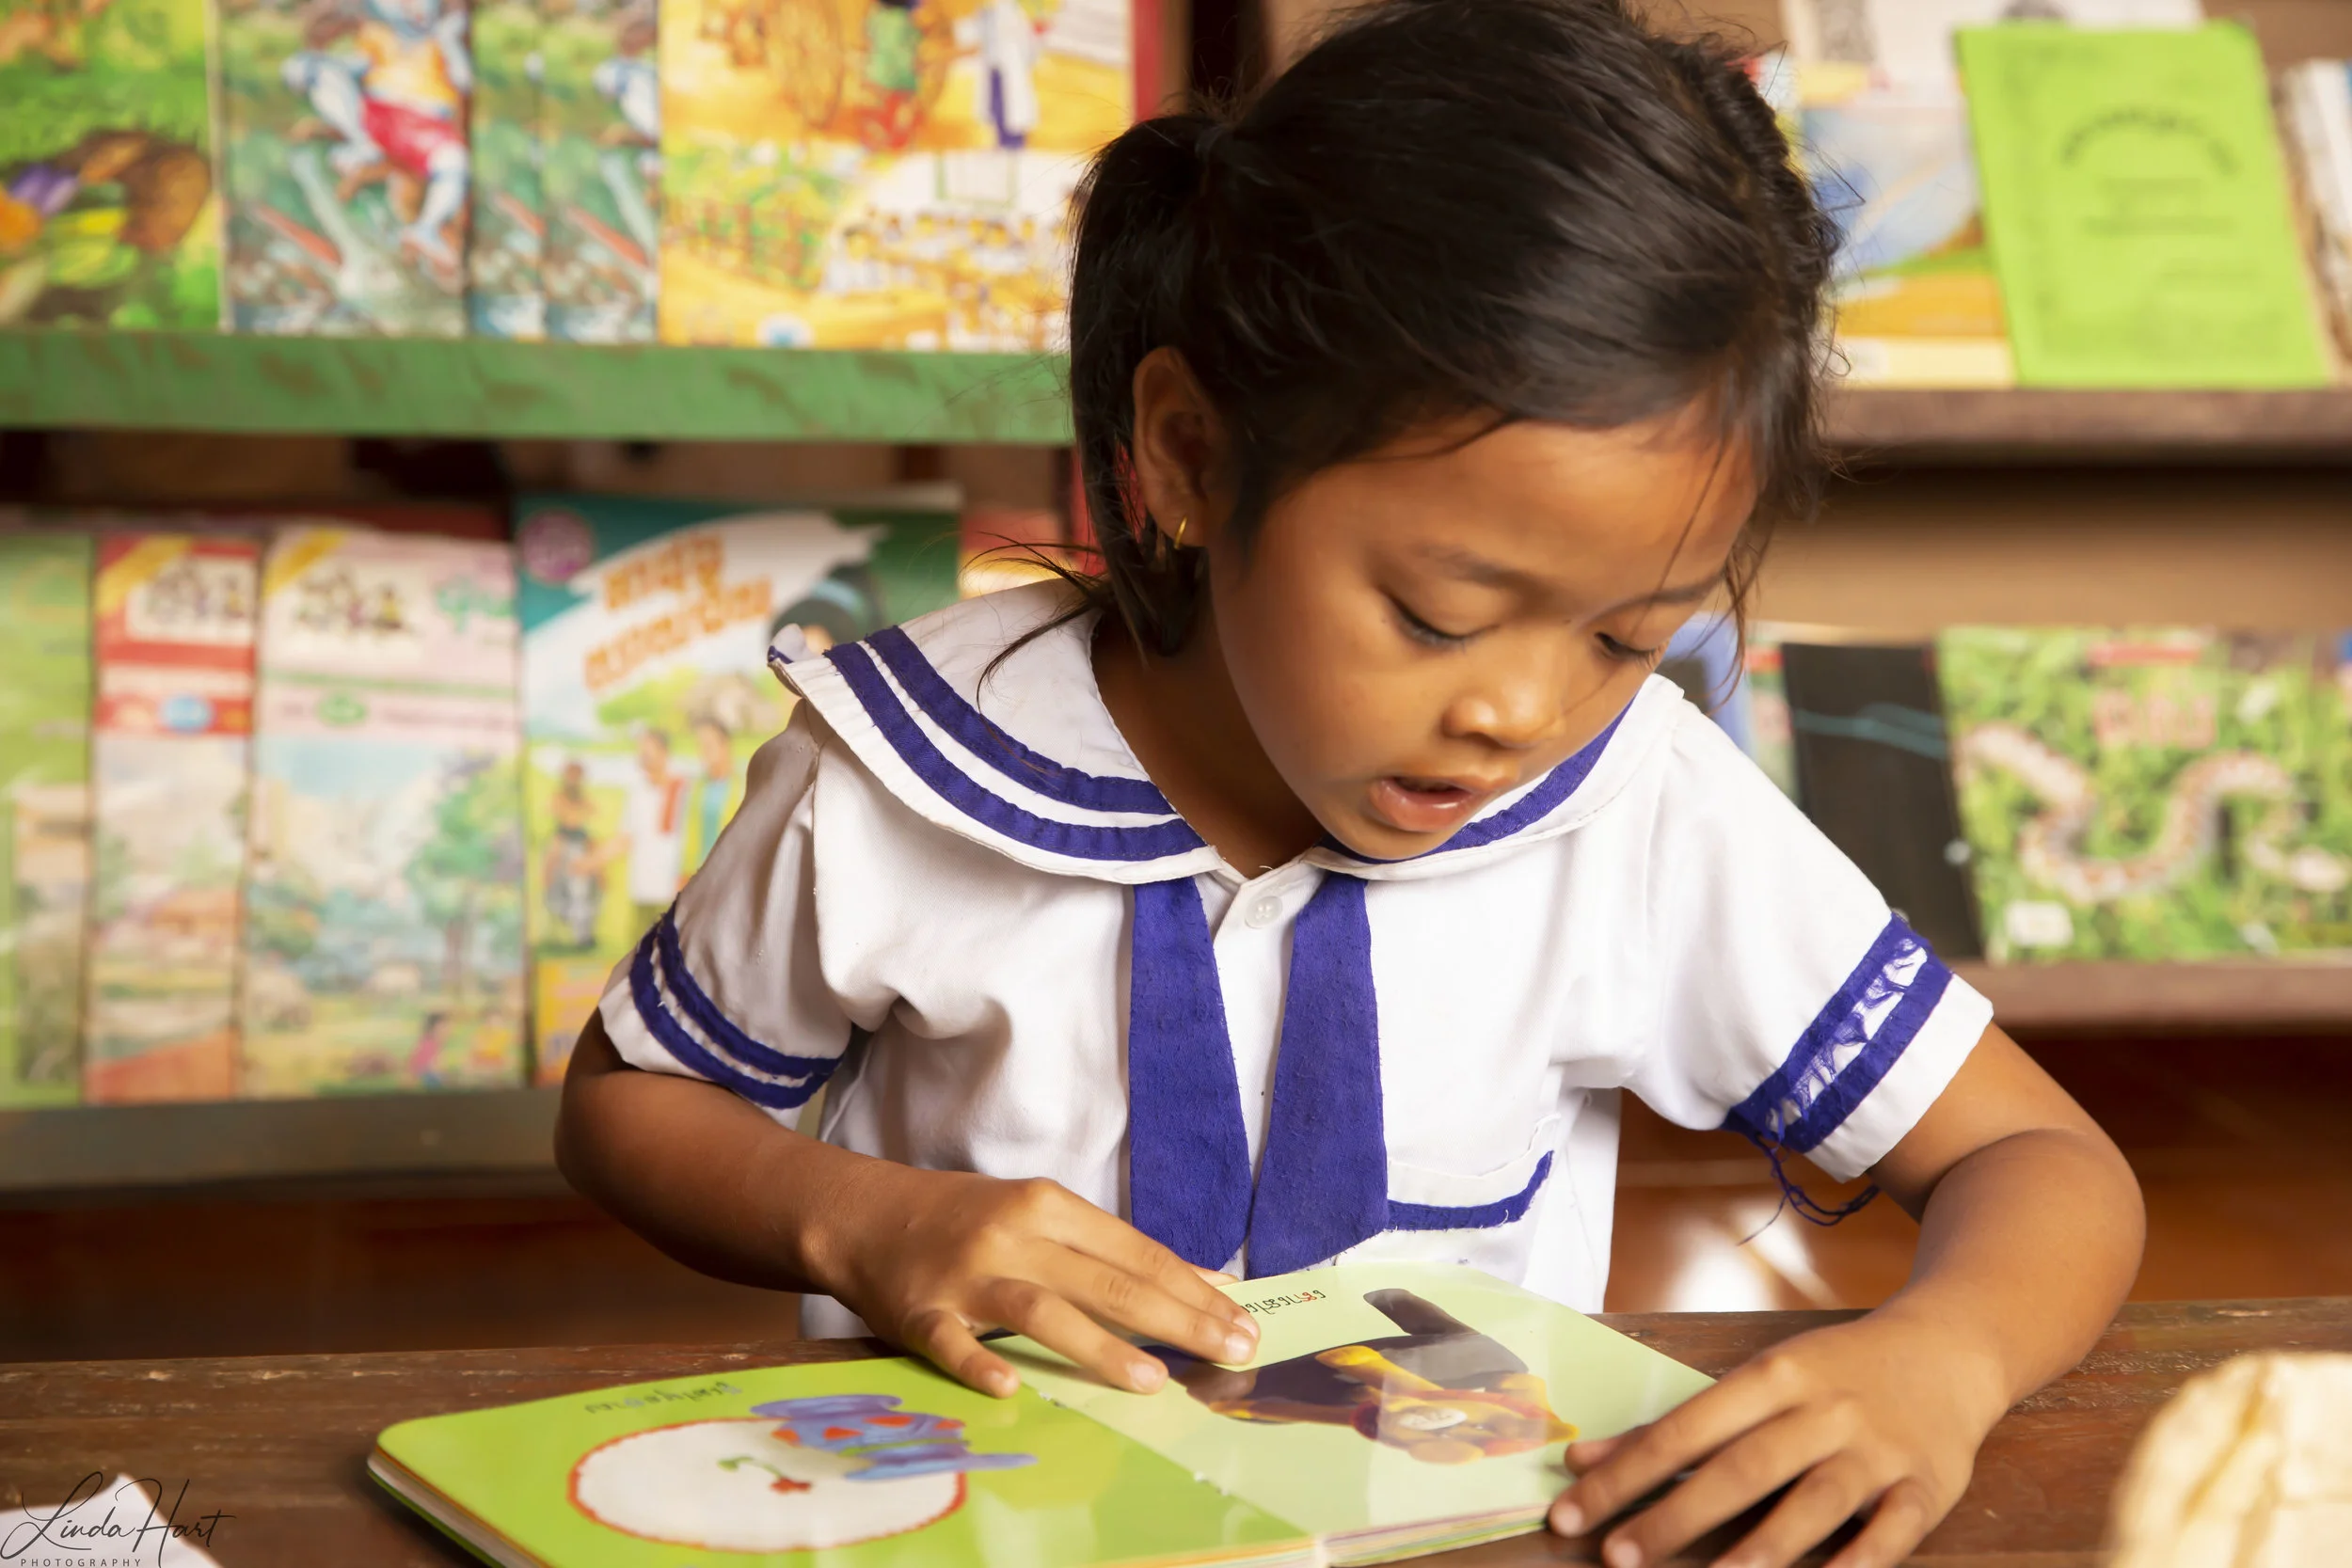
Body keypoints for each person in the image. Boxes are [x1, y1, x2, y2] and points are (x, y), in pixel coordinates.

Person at [557, 5, 2145, 1566]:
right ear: (1185, 455)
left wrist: (1945, 1359)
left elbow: (2044, 1164)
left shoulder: (1641, 803)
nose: (1519, 709)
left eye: (1626, 635)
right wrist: (869, 1220)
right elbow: (630, 1103)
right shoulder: (896, 771)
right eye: (1436, 617)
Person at [615, 726, 684, 937]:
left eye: (647, 750)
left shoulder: (683, 788)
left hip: (671, 890)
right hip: (642, 889)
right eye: (640, 750)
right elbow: (624, 839)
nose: (642, 755)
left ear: (663, 752)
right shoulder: (636, 791)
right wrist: (592, 861)